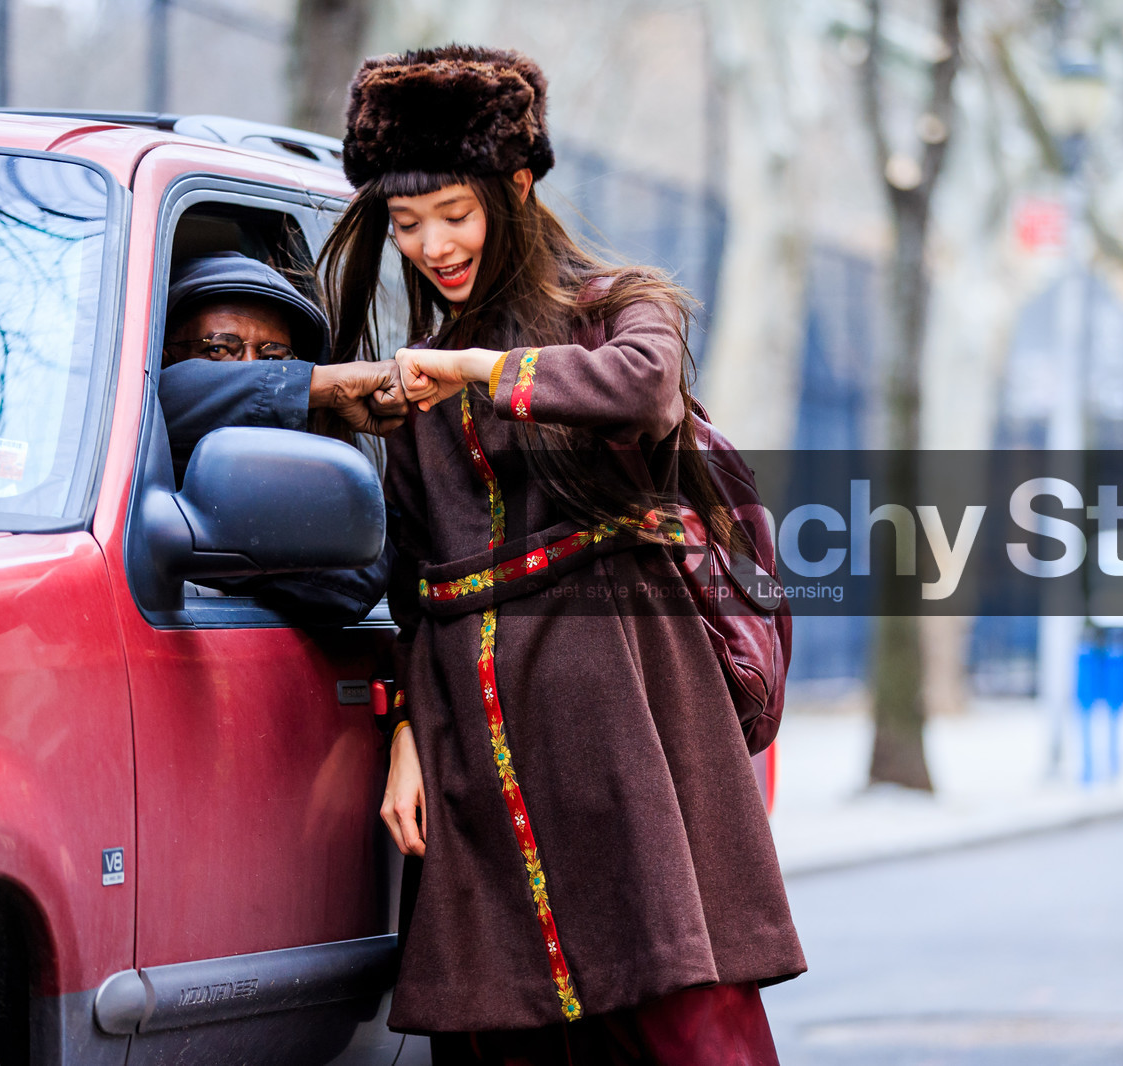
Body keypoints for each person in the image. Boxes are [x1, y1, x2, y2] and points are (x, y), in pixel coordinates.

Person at [320, 46, 805, 1063]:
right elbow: (410, 585)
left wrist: (476, 367)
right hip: (475, 744)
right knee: (506, 1030)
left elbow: (642, 388)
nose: (431, 245)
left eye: (453, 212)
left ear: (516, 187)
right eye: (406, 224)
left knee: (684, 1014)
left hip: (629, 722)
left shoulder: (618, 305)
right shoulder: (412, 386)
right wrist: (407, 734)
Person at [160, 251, 403, 623]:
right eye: (218, 349)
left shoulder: (307, 476)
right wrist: (320, 384)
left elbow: (355, 575)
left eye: (274, 359)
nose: (249, 368)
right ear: (164, 357)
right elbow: (154, 398)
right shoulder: (121, 448)